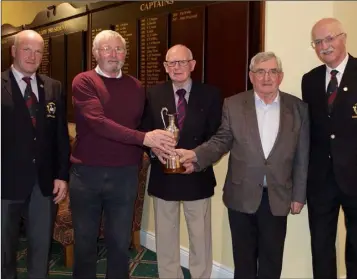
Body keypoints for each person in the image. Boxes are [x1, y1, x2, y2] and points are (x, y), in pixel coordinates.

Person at [177, 51, 310, 279]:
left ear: (281, 76)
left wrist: (299, 195)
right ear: (251, 76)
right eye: (260, 71)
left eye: (272, 71)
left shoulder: (298, 109)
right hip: (241, 194)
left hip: (278, 196)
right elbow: (221, 141)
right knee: (243, 259)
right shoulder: (234, 104)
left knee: (272, 258)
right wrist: (196, 156)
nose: (266, 77)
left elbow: (302, 155)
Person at [70, 30, 175, 279]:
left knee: (120, 242)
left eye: (118, 49)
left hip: (125, 175)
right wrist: (145, 138)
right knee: (85, 243)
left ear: (125, 54)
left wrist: (157, 146)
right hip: (87, 175)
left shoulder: (136, 86)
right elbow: (98, 122)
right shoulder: (83, 82)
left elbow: (138, 127)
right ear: (95, 53)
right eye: (106, 49)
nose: (113, 54)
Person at [140, 44, 222, 278]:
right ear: (165, 67)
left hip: (197, 174)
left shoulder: (211, 94)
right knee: (165, 236)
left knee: (200, 237)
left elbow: (218, 135)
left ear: (192, 65)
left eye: (182, 62)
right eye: (171, 63)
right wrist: (157, 152)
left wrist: (196, 158)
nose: (177, 67)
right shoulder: (153, 94)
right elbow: (144, 132)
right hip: (163, 175)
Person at [1, 30, 70, 279]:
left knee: (41, 249)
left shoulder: (53, 86)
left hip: (43, 184)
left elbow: (60, 136)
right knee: (3, 252)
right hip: (4, 184)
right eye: (26, 49)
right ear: (13, 51)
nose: (32, 56)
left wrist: (62, 176)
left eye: (38, 51)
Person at [301, 18, 357, 279]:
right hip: (321, 180)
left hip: (355, 178)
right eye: (318, 42)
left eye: (330, 38)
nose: (324, 46)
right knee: (321, 245)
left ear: (343, 37)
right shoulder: (309, 80)